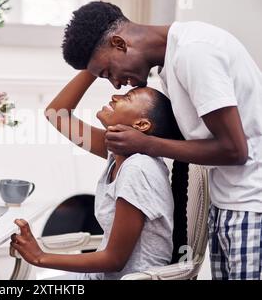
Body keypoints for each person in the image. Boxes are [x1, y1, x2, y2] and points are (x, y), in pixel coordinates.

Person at [61, 1, 262, 280]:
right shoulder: (172, 64)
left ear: (119, 43)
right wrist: (93, 59)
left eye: (108, 72)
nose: (116, 85)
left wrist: (145, 144)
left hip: (252, 206)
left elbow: (235, 150)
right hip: (228, 204)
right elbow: (57, 116)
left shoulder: (194, 52)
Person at [10, 76, 188, 279]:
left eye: (128, 97)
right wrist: (94, 67)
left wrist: (40, 257)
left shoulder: (138, 169)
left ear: (141, 124)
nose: (115, 95)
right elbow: (57, 115)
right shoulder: (118, 153)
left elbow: (114, 260)